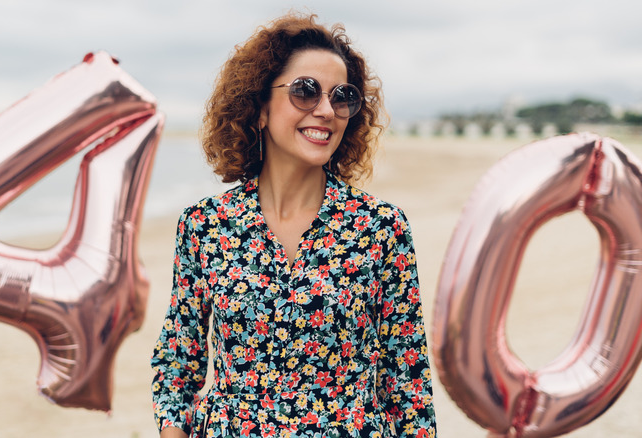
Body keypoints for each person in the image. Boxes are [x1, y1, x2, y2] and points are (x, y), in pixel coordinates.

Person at [152, 11, 436, 438]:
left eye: (341, 97)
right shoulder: (204, 226)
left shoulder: (383, 229)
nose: (325, 110)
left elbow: (409, 386)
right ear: (260, 107)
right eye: (306, 91)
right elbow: (178, 365)